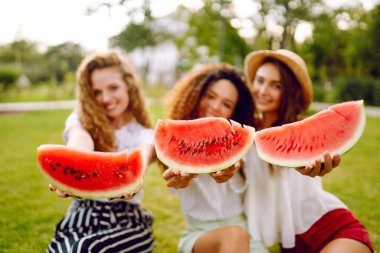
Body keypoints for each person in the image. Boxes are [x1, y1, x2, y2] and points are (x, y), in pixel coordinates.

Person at [243, 49, 374, 253]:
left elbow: (299, 169)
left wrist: (307, 167)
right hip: (291, 244)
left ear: (288, 92)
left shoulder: (302, 130)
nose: (263, 90)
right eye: (260, 81)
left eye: (276, 85)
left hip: (332, 228)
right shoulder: (244, 133)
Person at [47, 50, 156, 253]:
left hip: (128, 220)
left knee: (85, 249)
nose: (105, 98)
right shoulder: (80, 120)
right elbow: (79, 140)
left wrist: (135, 173)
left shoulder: (145, 134)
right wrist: (73, 164)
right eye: (96, 92)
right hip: (81, 215)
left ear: (129, 87)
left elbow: (144, 154)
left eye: (113, 88)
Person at [160, 63, 269, 253]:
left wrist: (233, 169)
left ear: (234, 113)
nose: (215, 107)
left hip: (245, 233)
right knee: (234, 235)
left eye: (226, 104)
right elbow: (150, 158)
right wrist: (178, 181)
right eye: (210, 96)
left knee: (237, 234)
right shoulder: (173, 139)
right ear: (196, 95)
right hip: (200, 235)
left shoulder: (245, 142)